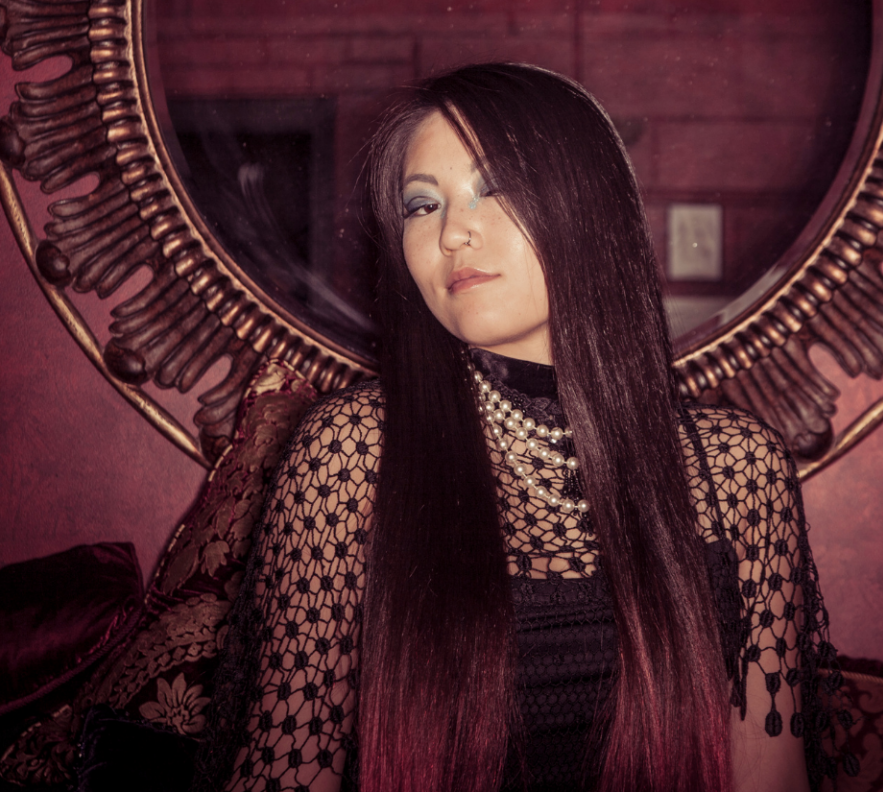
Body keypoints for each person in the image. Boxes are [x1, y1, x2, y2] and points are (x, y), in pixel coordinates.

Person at [195, 63, 837, 792]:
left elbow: (769, 771)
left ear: (587, 205)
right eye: (420, 205)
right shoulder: (352, 453)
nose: (452, 234)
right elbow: (285, 769)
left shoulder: (737, 468)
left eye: (492, 188)